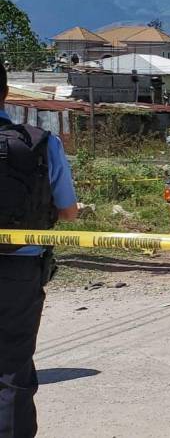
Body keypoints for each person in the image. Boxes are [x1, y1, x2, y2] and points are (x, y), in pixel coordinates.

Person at [0, 61, 77, 438]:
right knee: (13, 367)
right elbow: (69, 211)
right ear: (6, 94)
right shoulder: (41, 143)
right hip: (21, 269)